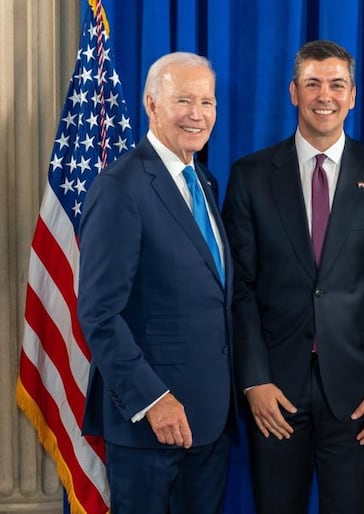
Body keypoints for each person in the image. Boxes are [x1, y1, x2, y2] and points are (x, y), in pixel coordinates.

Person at [222, 40, 364, 514]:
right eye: (312, 83)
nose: (324, 95)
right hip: (274, 393)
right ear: (293, 92)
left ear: (353, 96)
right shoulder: (249, 176)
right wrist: (253, 381)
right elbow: (239, 288)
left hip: (358, 395)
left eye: (336, 84)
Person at [77, 52, 234, 514]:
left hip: (209, 422)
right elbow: (100, 313)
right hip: (152, 424)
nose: (197, 113)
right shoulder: (120, 187)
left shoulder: (203, 181)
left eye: (207, 101)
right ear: (151, 104)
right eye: (183, 99)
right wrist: (155, 400)